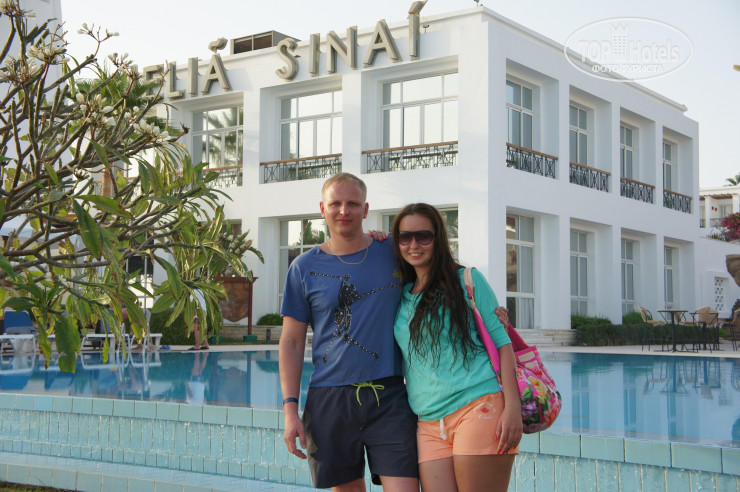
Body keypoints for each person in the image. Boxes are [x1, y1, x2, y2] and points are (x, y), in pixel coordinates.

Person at [279, 173, 419, 491]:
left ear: (366, 209)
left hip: (390, 395)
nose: (344, 211)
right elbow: (291, 342)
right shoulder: (303, 267)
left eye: (353, 204)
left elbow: (438, 274)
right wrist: (290, 411)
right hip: (330, 399)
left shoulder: (393, 251)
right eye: (336, 204)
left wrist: (484, 307)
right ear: (323, 209)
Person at [391, 203, 522, 492]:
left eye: (423, 236)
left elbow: (503, 345)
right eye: (404, 237)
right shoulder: (400, 295)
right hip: (428, 422)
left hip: (478, 407)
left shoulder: (467, 280)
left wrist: (512, 407)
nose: (414, 244)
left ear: (438, 238)